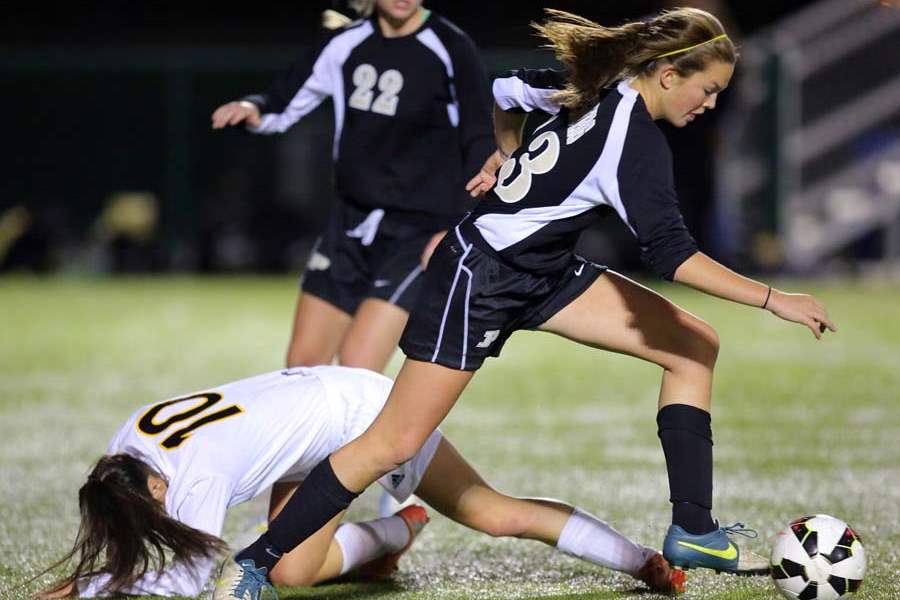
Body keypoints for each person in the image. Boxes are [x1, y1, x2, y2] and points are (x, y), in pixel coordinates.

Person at [211, 7, 841, 597]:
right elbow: (673, 256)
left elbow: (507, 89)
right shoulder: (635, 141)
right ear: (670, 73)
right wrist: (773, 297)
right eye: (708, 91)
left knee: (693, 344)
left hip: (545, 271)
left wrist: (509, 153)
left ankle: (693, 531)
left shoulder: (593, 85)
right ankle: (260, 561)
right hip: (478, 276)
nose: (710, 104)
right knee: (393, 443)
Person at [33, 366, 683, 599]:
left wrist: (77, 590)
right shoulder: (127, 449)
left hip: (361, 415)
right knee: (288, 573)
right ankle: (398, 530)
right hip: (312, 423)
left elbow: (191, 579)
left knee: (489, 511)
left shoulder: (190, 476)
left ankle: (642, 560)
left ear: (148, 489)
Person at [211, 0, 493, 373]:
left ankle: (392, 435)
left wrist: (458, 224)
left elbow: (479, 138)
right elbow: (284, 100)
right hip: (348, 224)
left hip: (419, 234)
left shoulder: (451, 47)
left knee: (358, 367)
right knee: (302, 367)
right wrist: (253, 107)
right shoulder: (345, 42)